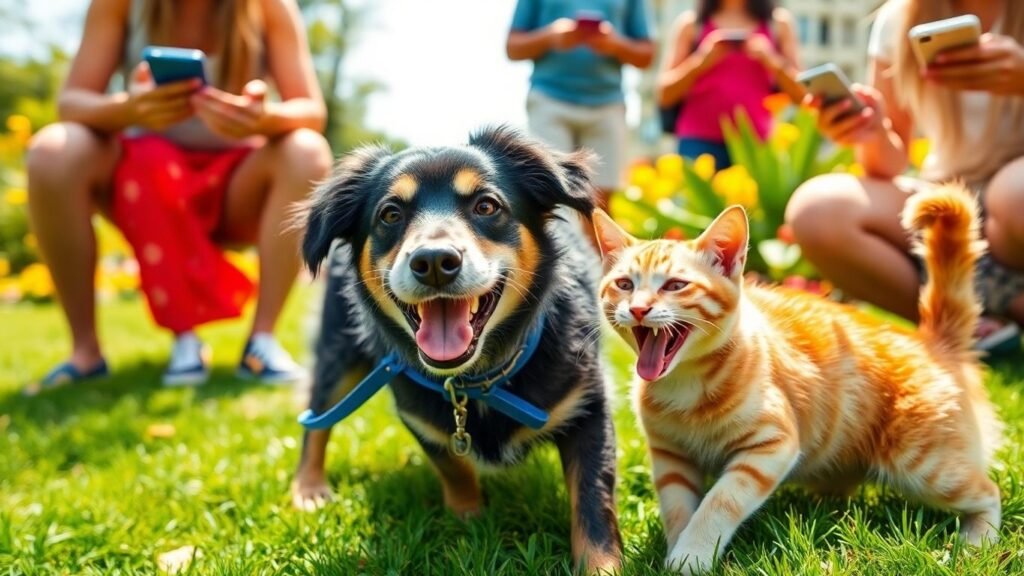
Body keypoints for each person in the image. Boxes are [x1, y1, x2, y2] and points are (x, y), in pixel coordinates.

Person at [24, 0, 333, 393]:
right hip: (143, 185)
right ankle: (85, 352)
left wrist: (262, 118)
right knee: (52, 152)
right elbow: (72, 102)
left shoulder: (270, 7)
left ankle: (261, 342)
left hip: (236, 188)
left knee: (308, 149)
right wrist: (131, 110)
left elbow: (311, 110)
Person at [787, 0, 1024, 353]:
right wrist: (872, 132)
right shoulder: (899, 19)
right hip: (952, 197)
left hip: (1015, 205)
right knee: (816, 211)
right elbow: (888, 166)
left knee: (1014, 193)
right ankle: (971, 322)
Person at [506, 0, 655, 208]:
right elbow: (512, 47)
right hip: (549, 101)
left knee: (600, 205)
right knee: (551, 197)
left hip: (607, 104)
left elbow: (647, 55)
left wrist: (615, 44)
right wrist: (551, 36)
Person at [657, 0, 803, 169]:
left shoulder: (777, 24)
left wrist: (771, 60)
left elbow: (802, 93)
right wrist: (701, 61)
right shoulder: (692, 25)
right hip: (698, 141)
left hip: (757, 142)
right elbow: (664, 94)